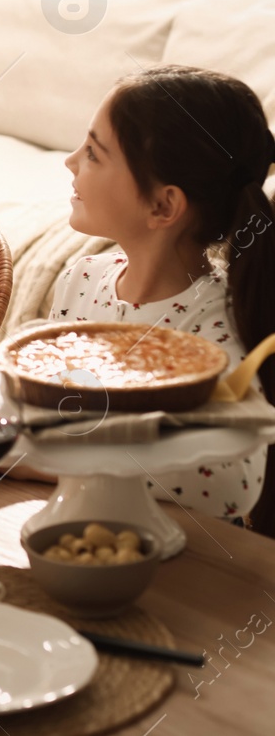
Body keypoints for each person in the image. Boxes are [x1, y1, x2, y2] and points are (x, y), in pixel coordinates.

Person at [50, 65, 273, 521]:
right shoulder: (82, 279)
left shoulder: (210, 331)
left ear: (162, 205)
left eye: (93, 153)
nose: (70, 161)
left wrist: (65, 458)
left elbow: (230, 487)